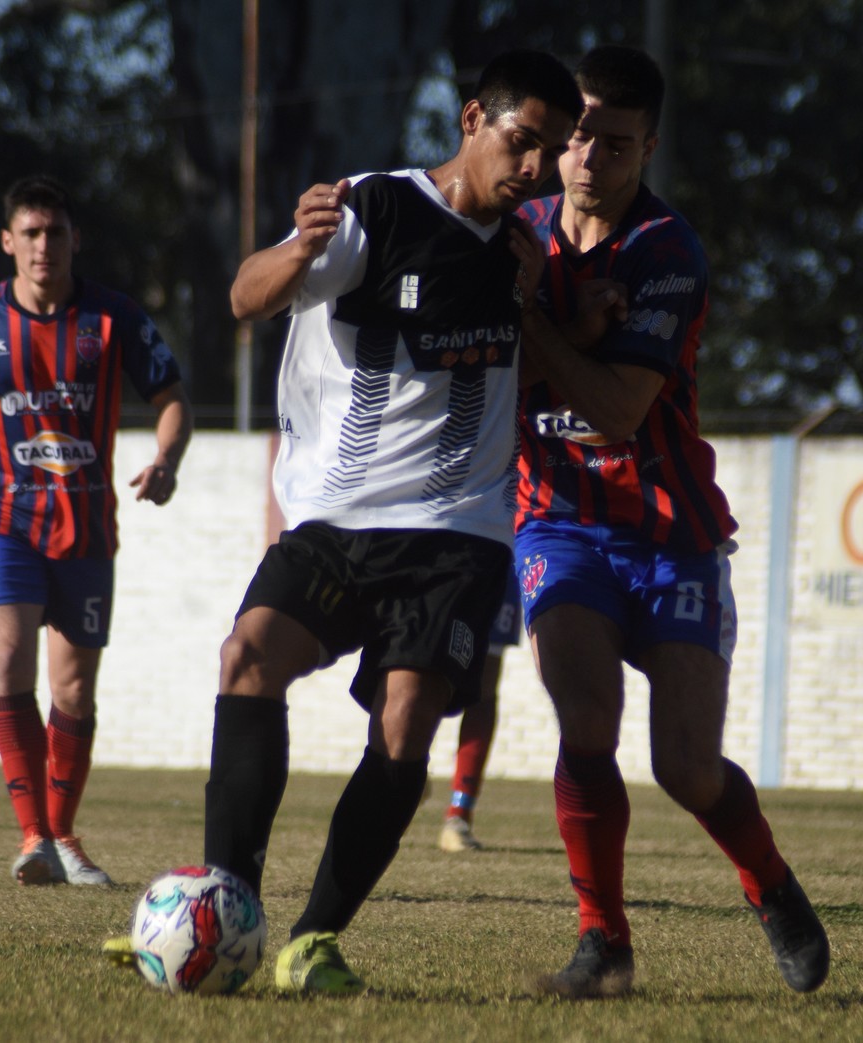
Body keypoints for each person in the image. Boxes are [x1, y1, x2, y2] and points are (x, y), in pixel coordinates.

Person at [199, 51, 583, 995]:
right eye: (519, 141)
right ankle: (227, 909)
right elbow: (247, 299)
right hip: (335, 515)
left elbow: (528, 370)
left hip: (457, 531)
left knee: (405, 719)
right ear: (470, 121)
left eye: (548, 151)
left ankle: (313, 938)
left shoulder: (529, 252)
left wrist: (552, 308)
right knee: (248, 656)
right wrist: (295, 245)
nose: (531, 168)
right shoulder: (376, 207)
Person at [512, 45, 830, 998]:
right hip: (556, 521)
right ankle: (603, 940)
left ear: (646, 147)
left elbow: (615, 409)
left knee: (685, 766)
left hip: (669, 531)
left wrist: (532, 329)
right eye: (576, 137)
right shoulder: (512, 233)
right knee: (586, 724)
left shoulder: (665, 252)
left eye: (613, 144)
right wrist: (563, 329)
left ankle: (769, 884)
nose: (586, 160)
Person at [0, 174, 193, 887]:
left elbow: (173, 397)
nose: (43, 246)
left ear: (74, 239)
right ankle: (33, 837)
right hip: (2, 522)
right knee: (7, 659)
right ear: (7, 242)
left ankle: (62, 833)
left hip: (85, 527)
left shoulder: (114, 319)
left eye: (55, 232)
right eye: (29, 233)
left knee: (75, 692)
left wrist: (166, 458)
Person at [436, 588, 521, 853]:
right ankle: (403, 771)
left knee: (484, 689)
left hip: (501, 554)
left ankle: (459, 815)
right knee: (424, 672)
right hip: (441, 554)